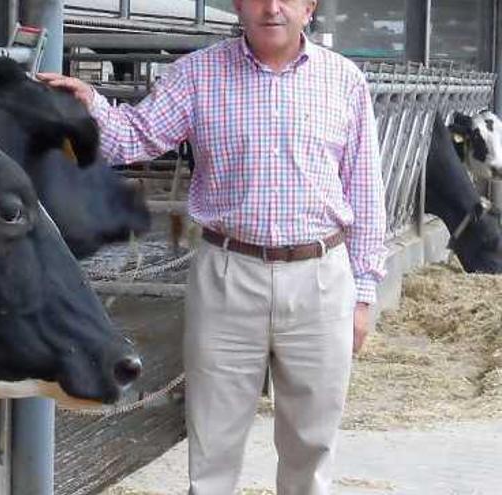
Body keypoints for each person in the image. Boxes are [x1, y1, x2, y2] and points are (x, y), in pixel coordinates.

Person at [38, 1, 386, 494]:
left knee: (312, 444)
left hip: (321, 276)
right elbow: (135, 137)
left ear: (309, 6)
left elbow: (366, 193)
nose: (272, 8)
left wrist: (365, 292)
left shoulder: (345, 80)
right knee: (212, 442)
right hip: (228, 272)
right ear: (238, 5)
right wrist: (91, 104)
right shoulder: (199, 74)